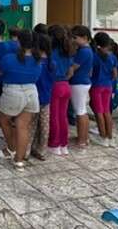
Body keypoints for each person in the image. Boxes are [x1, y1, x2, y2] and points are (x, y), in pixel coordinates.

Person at [0, 30, 41, 170]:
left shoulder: (9, 58)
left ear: (19, 41)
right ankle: (19, 161)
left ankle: (10, 148)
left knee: (3, 119)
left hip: (13, 92)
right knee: (23, 127)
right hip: (32, 93)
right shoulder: (38, 60)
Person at [47, 25, 74, 156]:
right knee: (63, 116)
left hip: (55, 86)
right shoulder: (67, 52)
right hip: (65, 85)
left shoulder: (50, 53)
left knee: (54, 117)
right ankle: (64, 145)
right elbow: (70, 72)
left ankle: (54, 144)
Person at [90, 32, 118, 147]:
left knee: (99, 112)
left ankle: (103, 138)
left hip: (96, 86)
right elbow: (115, 75)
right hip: (108, 86)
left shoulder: (94, 56)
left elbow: (90, 72)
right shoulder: (112, 57)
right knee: (107, 112)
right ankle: (111, 138)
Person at [69, 25, 95, 149]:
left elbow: (73, 68)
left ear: (84, 37)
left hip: (79, 83)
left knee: (80, 112)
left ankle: (82, 140)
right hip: (83, 82)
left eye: (75, 38)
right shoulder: (88, 50)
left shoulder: (83, 51)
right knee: (82, 111)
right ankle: (84, 137)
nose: (73, 40)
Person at [28, 33, 52, 161]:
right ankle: (41, 150)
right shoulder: (51, 62)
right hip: (46, 97)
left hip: (33, 97)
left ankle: (26, 150)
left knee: (30, 124)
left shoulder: (34, 61)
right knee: (44, 125)